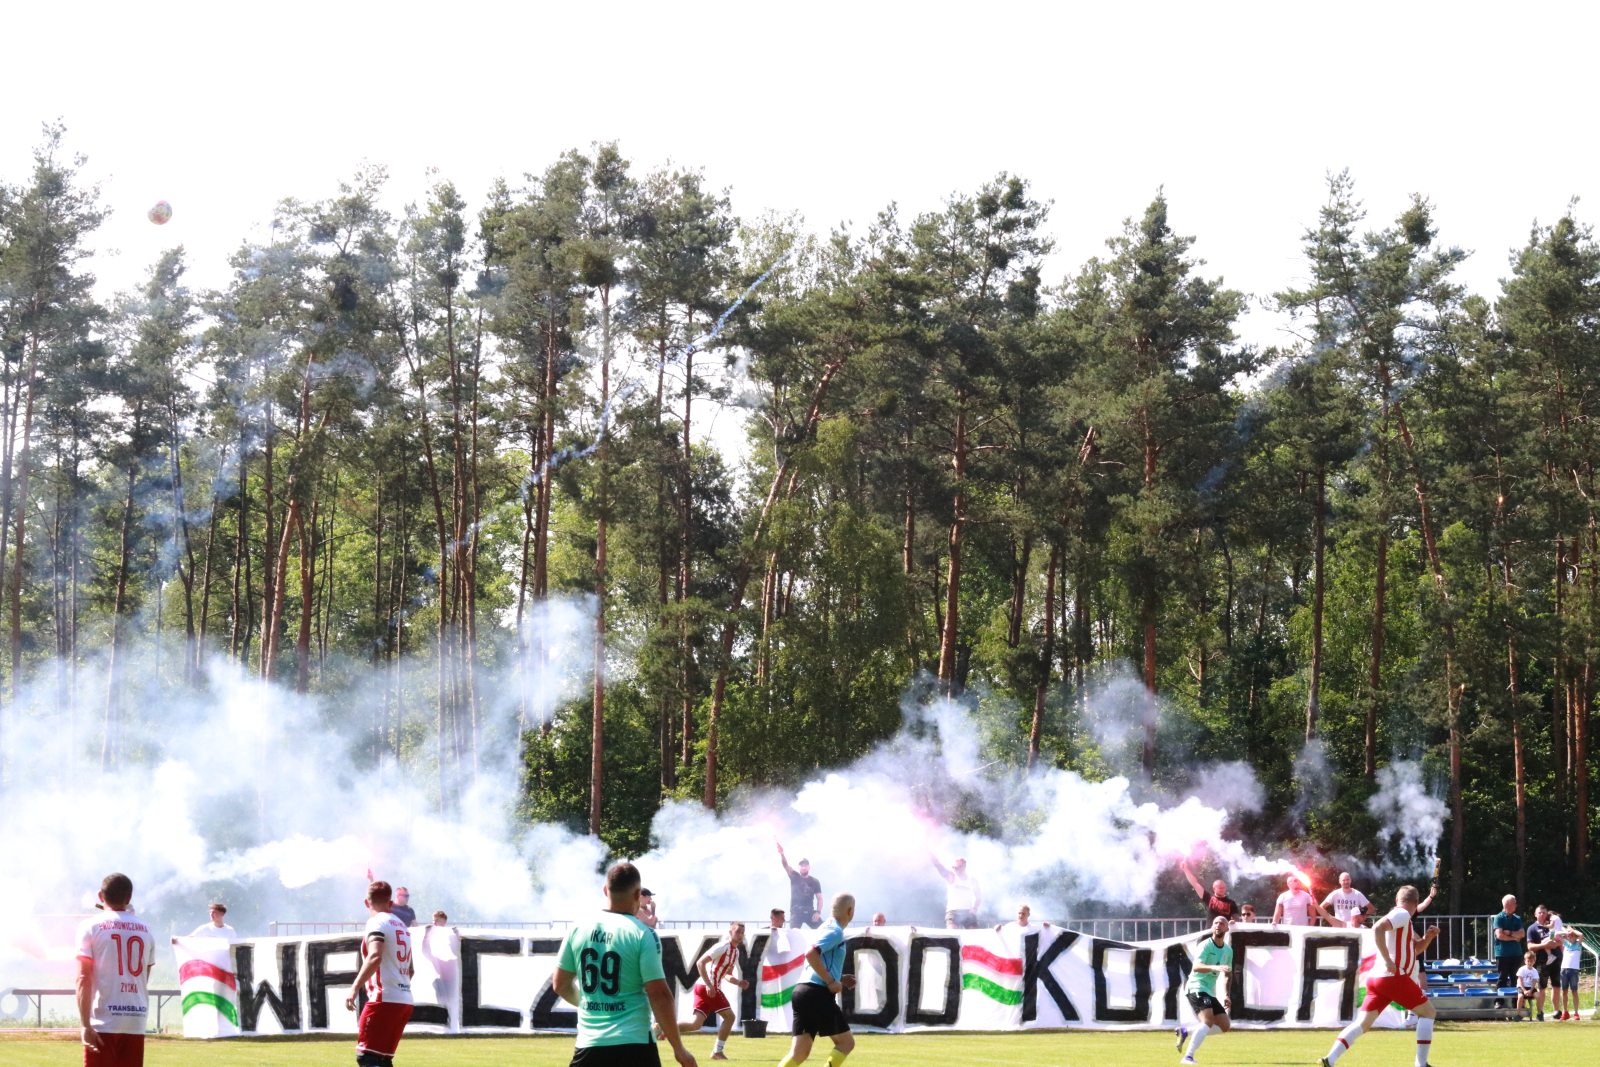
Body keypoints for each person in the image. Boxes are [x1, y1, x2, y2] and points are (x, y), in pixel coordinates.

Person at [553, 861, 694, 1067]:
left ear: (605, 890)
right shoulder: (642, 934)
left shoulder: (577, 929)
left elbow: (560, 985)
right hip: (635, 1044)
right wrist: (679, 1049)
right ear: (637, 894)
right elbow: (659, 995)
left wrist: (588, 1004)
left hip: (590, 1045)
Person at [1318, 885, 1440, 1067]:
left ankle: (1329, 1059)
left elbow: (1414, 950)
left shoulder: (1403, 919)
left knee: (1362, 1023)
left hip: (1378, 979)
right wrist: (1388, 961)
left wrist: (1428, 938)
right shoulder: (1402, 914)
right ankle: (1421, 1064)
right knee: (1428, 1013)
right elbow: (1377, 928)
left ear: (1396, 900)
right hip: (1393, 977)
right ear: (1416, 903)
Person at [76, 872, 153, 1067]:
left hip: (104, 1018)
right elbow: (145, 976)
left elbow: (83, 978)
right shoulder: (146, 929)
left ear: (101, 896)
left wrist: (85, 1024)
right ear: (129, 897)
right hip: (135, 1018)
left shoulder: (90, 926)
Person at [777, 893, 857, 1067]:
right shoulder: (835, 931)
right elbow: (811, 954)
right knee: (846, 1043)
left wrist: (839, 978)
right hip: (817, 993)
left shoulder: (824, 927)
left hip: (803, 992)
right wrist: (830, 981)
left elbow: (818, 959)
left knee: (799, 1054)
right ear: (850, 911)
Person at [344, 880, 414, 1067]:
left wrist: (354, 987)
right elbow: (411, 969)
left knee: (366, 1057)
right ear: (390, 903)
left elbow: (375, 956)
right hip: (405, 1000)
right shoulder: (402, 926)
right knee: (382, 1059)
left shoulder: (376, 922)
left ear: (366, 903)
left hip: (384, 998)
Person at [668, 921, 749, 1061]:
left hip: (703, 987)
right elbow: (700, 963)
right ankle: (717, 1052)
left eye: (742, 932)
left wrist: (738, 982)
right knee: (730, 1017)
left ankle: (662, 1027)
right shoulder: (722, 946)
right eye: (737, 932)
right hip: (708, 988)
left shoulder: (735, 952)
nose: (740, 935)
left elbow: (727, 974)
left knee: (695, 1024)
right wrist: (709, 985)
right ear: (730, 932)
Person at [1173, 915, 1232, 1065]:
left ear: (1227, 928)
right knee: (1208, 1021)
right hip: (1196, 986)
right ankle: (1188, 1057)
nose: (1218, 925)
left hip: (1208, 991)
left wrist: (1226, 994)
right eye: (1215, 923)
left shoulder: (1228, 950)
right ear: (1212, 927)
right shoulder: (1205, 945)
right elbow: (1196, 967)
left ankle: (1186, 1031)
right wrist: (1215, 967)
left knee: (1225, 1025)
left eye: (1222, 923)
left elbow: (1228, 974)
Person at [420, 911, 460, 1030]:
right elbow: (426, 952)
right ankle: (445, 1029)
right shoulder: (433, 939)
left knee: (453, 1005)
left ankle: (453, 1028)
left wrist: (457, 936)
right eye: (434, 920)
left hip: (452, 980)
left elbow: (458, 951)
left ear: (444, 922)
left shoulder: (449, 937)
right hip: (440, 979)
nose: (434, 923)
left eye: (437, 921)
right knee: (443, 1005)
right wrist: (426, 935)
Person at [1526, 903, 1561, 1020]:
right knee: (1542, 987)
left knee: (1556, 986)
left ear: (1547, 914)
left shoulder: (1551, 925)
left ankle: (1556, 1011)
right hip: (1542, 962)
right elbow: (1530, 946)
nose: (1542, 914)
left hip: (1556, 959)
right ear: (1535, 914)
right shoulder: (1532, 928)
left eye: (1544, 913)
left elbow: (1560, 940)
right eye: (1539, 912)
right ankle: (1540, 1012)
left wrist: (1555, 944)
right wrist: (1544, 945)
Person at [777, 842, 822, 928]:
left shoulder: (815, 881)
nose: (803, 867)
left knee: (823, 930)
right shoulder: (794, 876)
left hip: (810, 912)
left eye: (805, 865)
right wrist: (782, 854)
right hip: (796, 913)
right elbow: (785, 865)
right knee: (793, 934)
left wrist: (818, 912)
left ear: (809, 867)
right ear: (798, 867)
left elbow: (820, 898)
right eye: (801, 865)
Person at [929, 855, 980, 929]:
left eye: (957, 868)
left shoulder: (972, 880)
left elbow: (978, 896)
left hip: (968, 912)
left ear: (963, 867)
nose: (954, 869)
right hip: (953, 912)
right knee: (952, 932)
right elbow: (939, 867)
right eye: (953, 867)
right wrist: (930, 855)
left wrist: (975, 908)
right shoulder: (952, 877)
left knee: (974, 933)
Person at [1492, 894, 1526, 993]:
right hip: (1503, 953)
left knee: (1516, 978)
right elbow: (1499, 935)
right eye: (1514, 903)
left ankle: (1515, 1000)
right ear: (1507, 904)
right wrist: (1514, 938)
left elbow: (1522, 934)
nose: (1516, 905)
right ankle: (1499, 1000)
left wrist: (1510, 933)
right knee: (1502, 978)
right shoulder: (1499, 918)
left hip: (1516, 953)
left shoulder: (1517, 918)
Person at [1558, 927, 1583, 1021]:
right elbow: (1556, 935)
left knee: (1574, 991)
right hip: (1564, 970)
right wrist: (1566, 933)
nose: (1571, 937)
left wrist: (1572, 931)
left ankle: (1576, 1013)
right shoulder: (1565, 943)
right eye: (1569, 936)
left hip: (1574, 971)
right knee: (1564, 991)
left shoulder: (1578, 944)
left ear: (1575, 936)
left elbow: (1581, 935)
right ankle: (1565, 1012)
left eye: (1573, 935)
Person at [1515, 951, 1540, 1020]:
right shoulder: (1522, 969)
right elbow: (1520, 981)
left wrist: (1531, 990)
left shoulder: (1535, 971)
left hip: (1530, 987)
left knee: (1538, 996)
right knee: (1520, 997)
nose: (1529, 963)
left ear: (1534, 961)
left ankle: (1539, 1013)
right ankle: (1518, 1014)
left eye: (1531, 961)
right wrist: (1524, 990)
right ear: (1525, 961)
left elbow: (1534, 982)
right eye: (1528, 961)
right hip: (1522, 987)